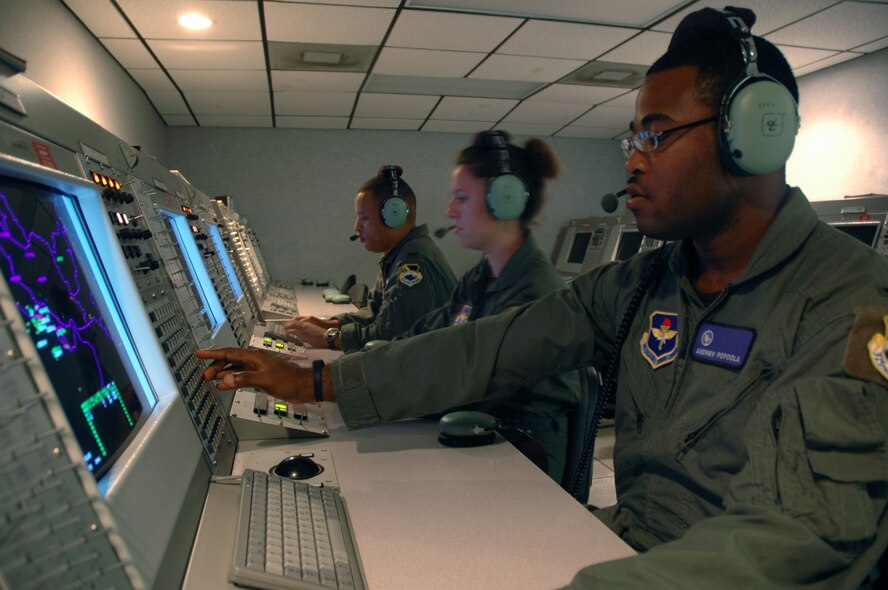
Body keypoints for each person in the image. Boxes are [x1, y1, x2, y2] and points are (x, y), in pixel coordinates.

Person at [199, 6, 888, 587]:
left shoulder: (853, 307)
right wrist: (320, 380)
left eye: (656, 133)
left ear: (755, 135)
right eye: (632, 136)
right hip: (623, 550)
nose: (633, 159)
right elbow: (488, 348)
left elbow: (795, 537)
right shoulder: (649, 280)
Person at [396, 130, 583, 482]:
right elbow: (427, 335)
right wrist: (355, 359)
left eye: (461, 198)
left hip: (524, 461)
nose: (449, 210)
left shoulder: (536, 295)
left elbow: (463, 380)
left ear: (506, 201)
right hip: (480, 437)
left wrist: (350, 385)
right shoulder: (481, 278)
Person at [285, 165, 456, 353]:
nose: (356, 227)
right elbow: (376, 313)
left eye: (364, 218)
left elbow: (391, 335)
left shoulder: (413, 263)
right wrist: (328, 324)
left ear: (394, 217)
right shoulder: (399, 254)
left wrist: (329, 338)